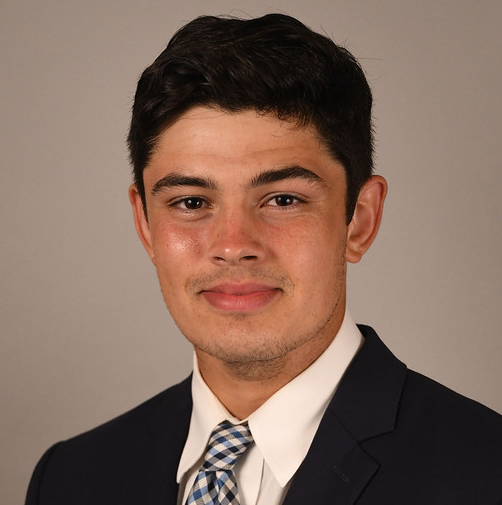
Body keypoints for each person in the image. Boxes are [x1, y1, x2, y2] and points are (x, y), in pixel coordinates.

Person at [25, 13, 502, 505]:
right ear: (146, 224)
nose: (233, 244)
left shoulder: (487, 472)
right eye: (191, 202)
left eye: (283, 200)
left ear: (359, 220)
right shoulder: (70, 478)